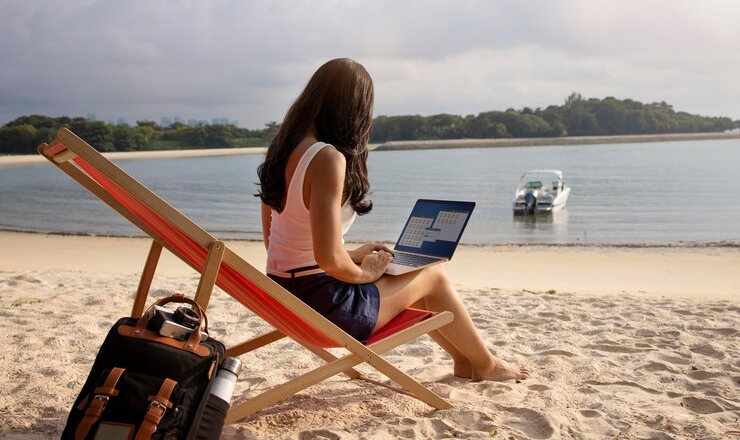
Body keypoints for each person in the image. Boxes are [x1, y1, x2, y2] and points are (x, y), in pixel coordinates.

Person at [257, 58, 528, 382]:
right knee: (433, 275)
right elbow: (327, 258)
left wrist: (356, 255)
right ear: (353, 110)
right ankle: (487, 365)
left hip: (286, 298)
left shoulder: (282, 151)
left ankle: (465, 360)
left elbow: (279, 243)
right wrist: (363, 273)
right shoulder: (327, 158)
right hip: (326, 309)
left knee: (415, 274)